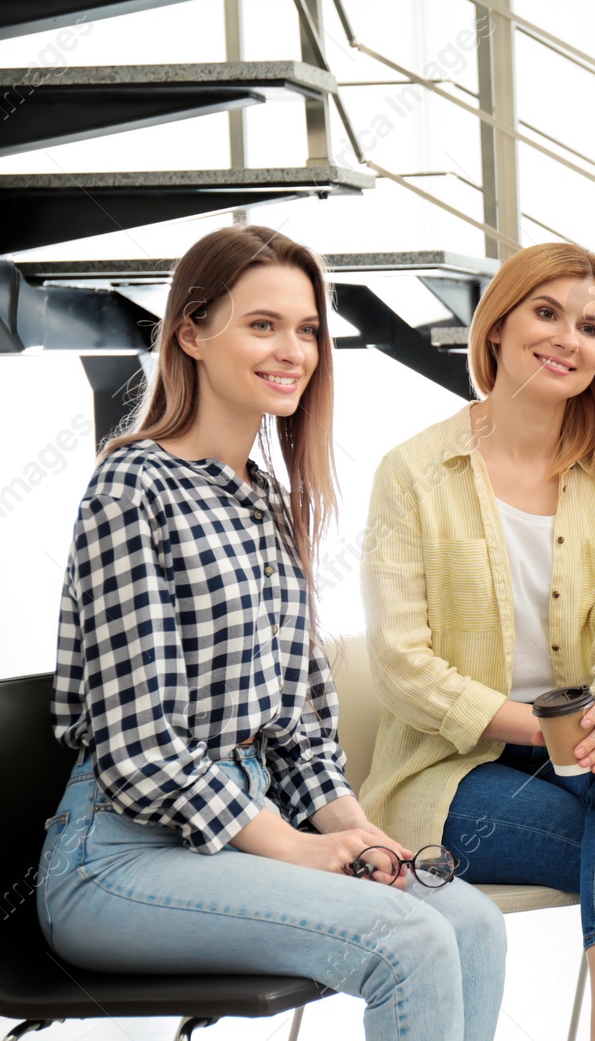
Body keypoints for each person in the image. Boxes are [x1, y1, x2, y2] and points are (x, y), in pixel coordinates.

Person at [37, 225, 506, 1041]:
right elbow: (141, 747)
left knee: (471, 922)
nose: (294, 349)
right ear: (191, 332)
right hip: (115, 858)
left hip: (233, 834)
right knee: (408, 940)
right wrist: (293, 847)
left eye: (307, 328)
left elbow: (299, 731)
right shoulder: (130, 486)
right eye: (262, 324)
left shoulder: (267, 500)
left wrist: (355, 833)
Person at [360, 241, 595, 1041]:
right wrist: (555, 726)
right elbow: (403, 667)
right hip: (447, 769)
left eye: (590, 326)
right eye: (547, 312)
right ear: (499, 325)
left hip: (579, 751)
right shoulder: (413, 471)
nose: (567, 338)